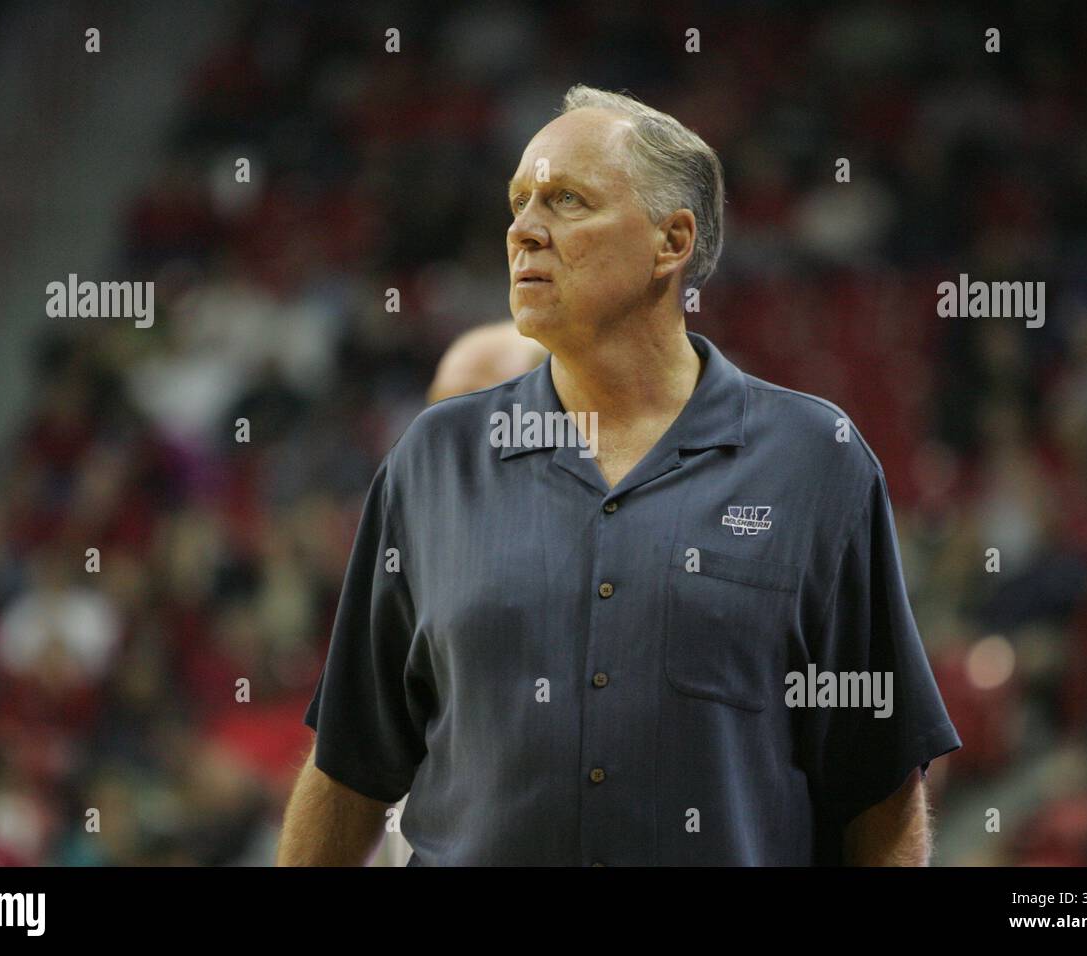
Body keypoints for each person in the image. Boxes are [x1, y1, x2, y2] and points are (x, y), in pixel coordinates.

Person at [279, 84, 961, 866]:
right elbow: (349, 773)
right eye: (519, 202)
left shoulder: (818, 460)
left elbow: (877, 791)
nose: (523, 230)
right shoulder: (433, 458)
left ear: (671, 243)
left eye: (566, 201)